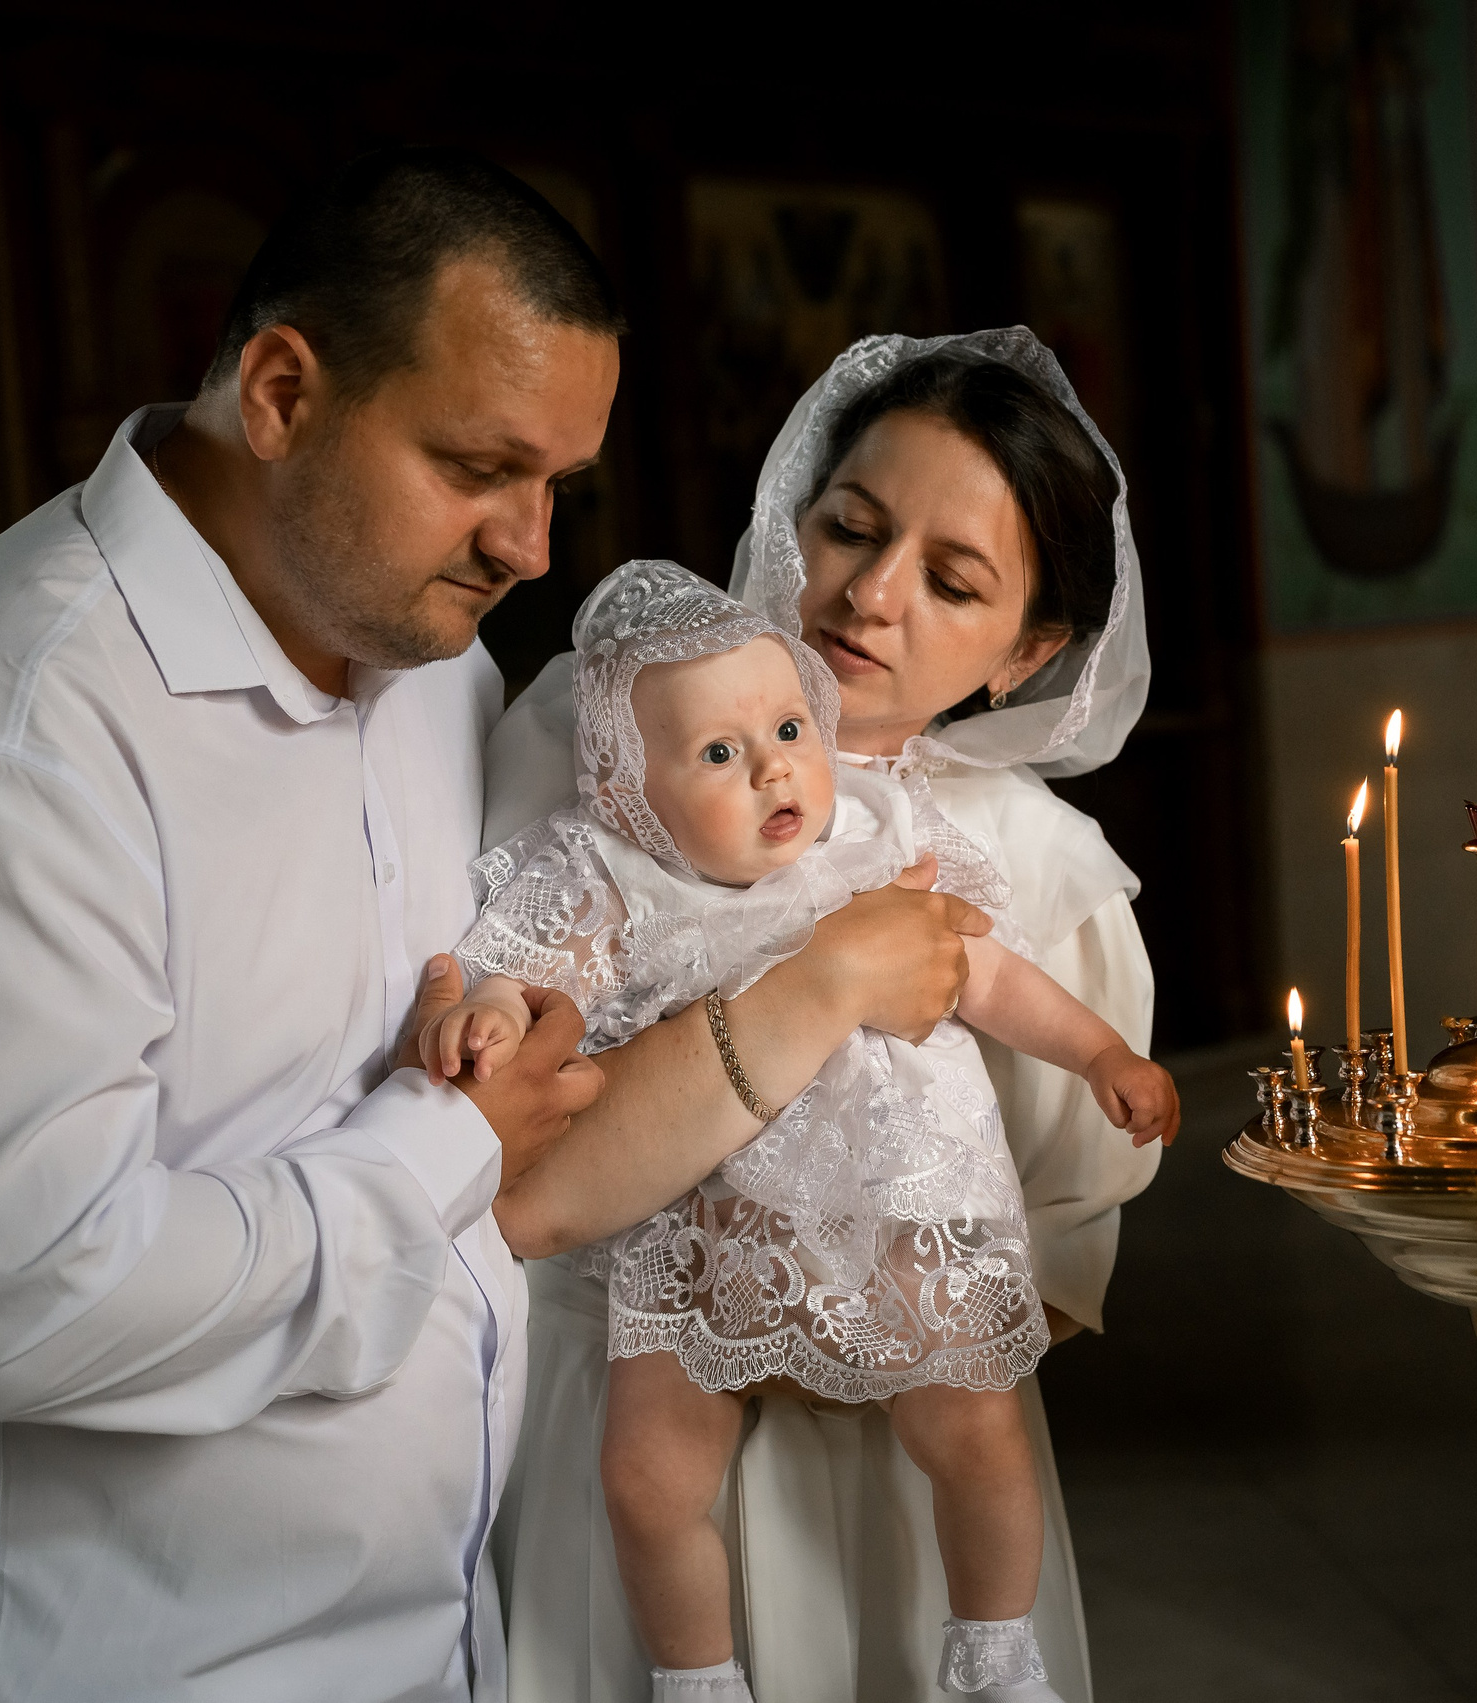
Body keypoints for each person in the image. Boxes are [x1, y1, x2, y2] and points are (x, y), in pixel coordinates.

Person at [0, 148, 981, 1703]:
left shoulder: (443, 680)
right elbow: (17, 1301)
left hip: (441, 1628)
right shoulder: (9, 729)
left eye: (558, 486)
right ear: (282, 392)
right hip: (141, 1662)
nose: (530, 547)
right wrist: (451, 1141)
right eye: (481, 468)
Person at [490, 329, 1161, 1703]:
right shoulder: (592, 738)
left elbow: (1066, 1228)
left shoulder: (1036, 865)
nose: (867, 593)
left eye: (953, 581)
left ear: (1024, 650)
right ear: (787, 514)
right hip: (620, 1397)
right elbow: (507, 1111)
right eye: (847, 526)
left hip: (898, 1463)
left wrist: (857, 1328)